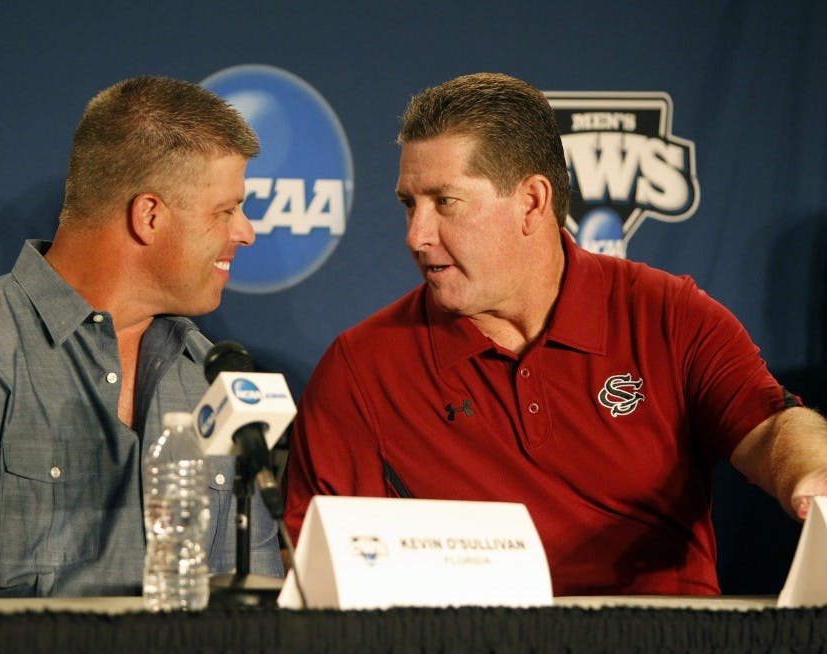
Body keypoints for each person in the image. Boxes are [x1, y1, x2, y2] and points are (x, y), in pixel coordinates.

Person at [283, 72, 827, 596]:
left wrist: (812, 472)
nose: (416, 235)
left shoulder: (668, 314)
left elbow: (769, 427)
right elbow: (307, 565)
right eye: (409, 204)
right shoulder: (362, 368)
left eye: (444, 202)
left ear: (532, 201)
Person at [0, 76, 283, 598]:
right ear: (149, 216)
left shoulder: (211, 377)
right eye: (226, 210)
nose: (246, 231)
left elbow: (260, 596)